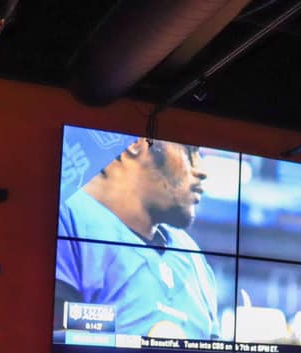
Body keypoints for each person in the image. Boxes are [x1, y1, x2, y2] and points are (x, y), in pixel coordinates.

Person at [55, 130, 220, 340]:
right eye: (189, 151)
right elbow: (49, 334)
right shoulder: (67, 217)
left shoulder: (192, 254)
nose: (202, 170)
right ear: (135, 143)